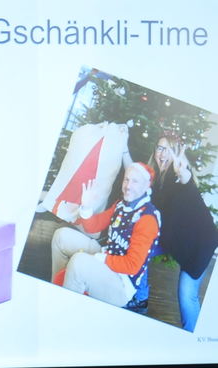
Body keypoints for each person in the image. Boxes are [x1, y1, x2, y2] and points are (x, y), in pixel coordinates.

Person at [50, 162, 161, 311]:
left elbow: (132, 266)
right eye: (126, 179)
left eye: (135, 181)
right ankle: (60, 289)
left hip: (122, 283)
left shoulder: (147, 219)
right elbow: (94, 226)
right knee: (61, 236)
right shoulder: (121, 204)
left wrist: (99, 258)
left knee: (79, 262)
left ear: (146, 185)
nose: (128, 186)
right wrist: (86, 207)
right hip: (107, 257)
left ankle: (65, 310)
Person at [151, 134, 217, 331]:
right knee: (142, 251)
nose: (162, 154)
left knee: (187, 295)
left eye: (168, 150)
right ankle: (140, 296)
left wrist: (182, 172)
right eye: (159, 148)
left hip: (199, 244)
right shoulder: (158, 180)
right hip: (179, 242)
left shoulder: (179, 179)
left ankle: (192, 336)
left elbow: (187, 184)